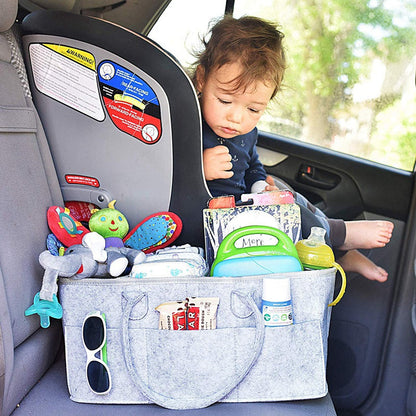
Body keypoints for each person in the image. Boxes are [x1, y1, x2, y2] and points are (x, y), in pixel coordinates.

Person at [191, 15, 394, 282]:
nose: (236, 117)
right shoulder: (189, 123)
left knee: (287, 195)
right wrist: (199, 167)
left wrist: (259, 186)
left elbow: (253, 165)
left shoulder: (247, 132)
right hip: (214, 218)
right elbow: (167, 173)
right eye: (225, 100)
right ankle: (339, 236)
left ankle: (339, 251)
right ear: (202, 80)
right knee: (290, 211)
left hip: (244, 207)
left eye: (253, 109)